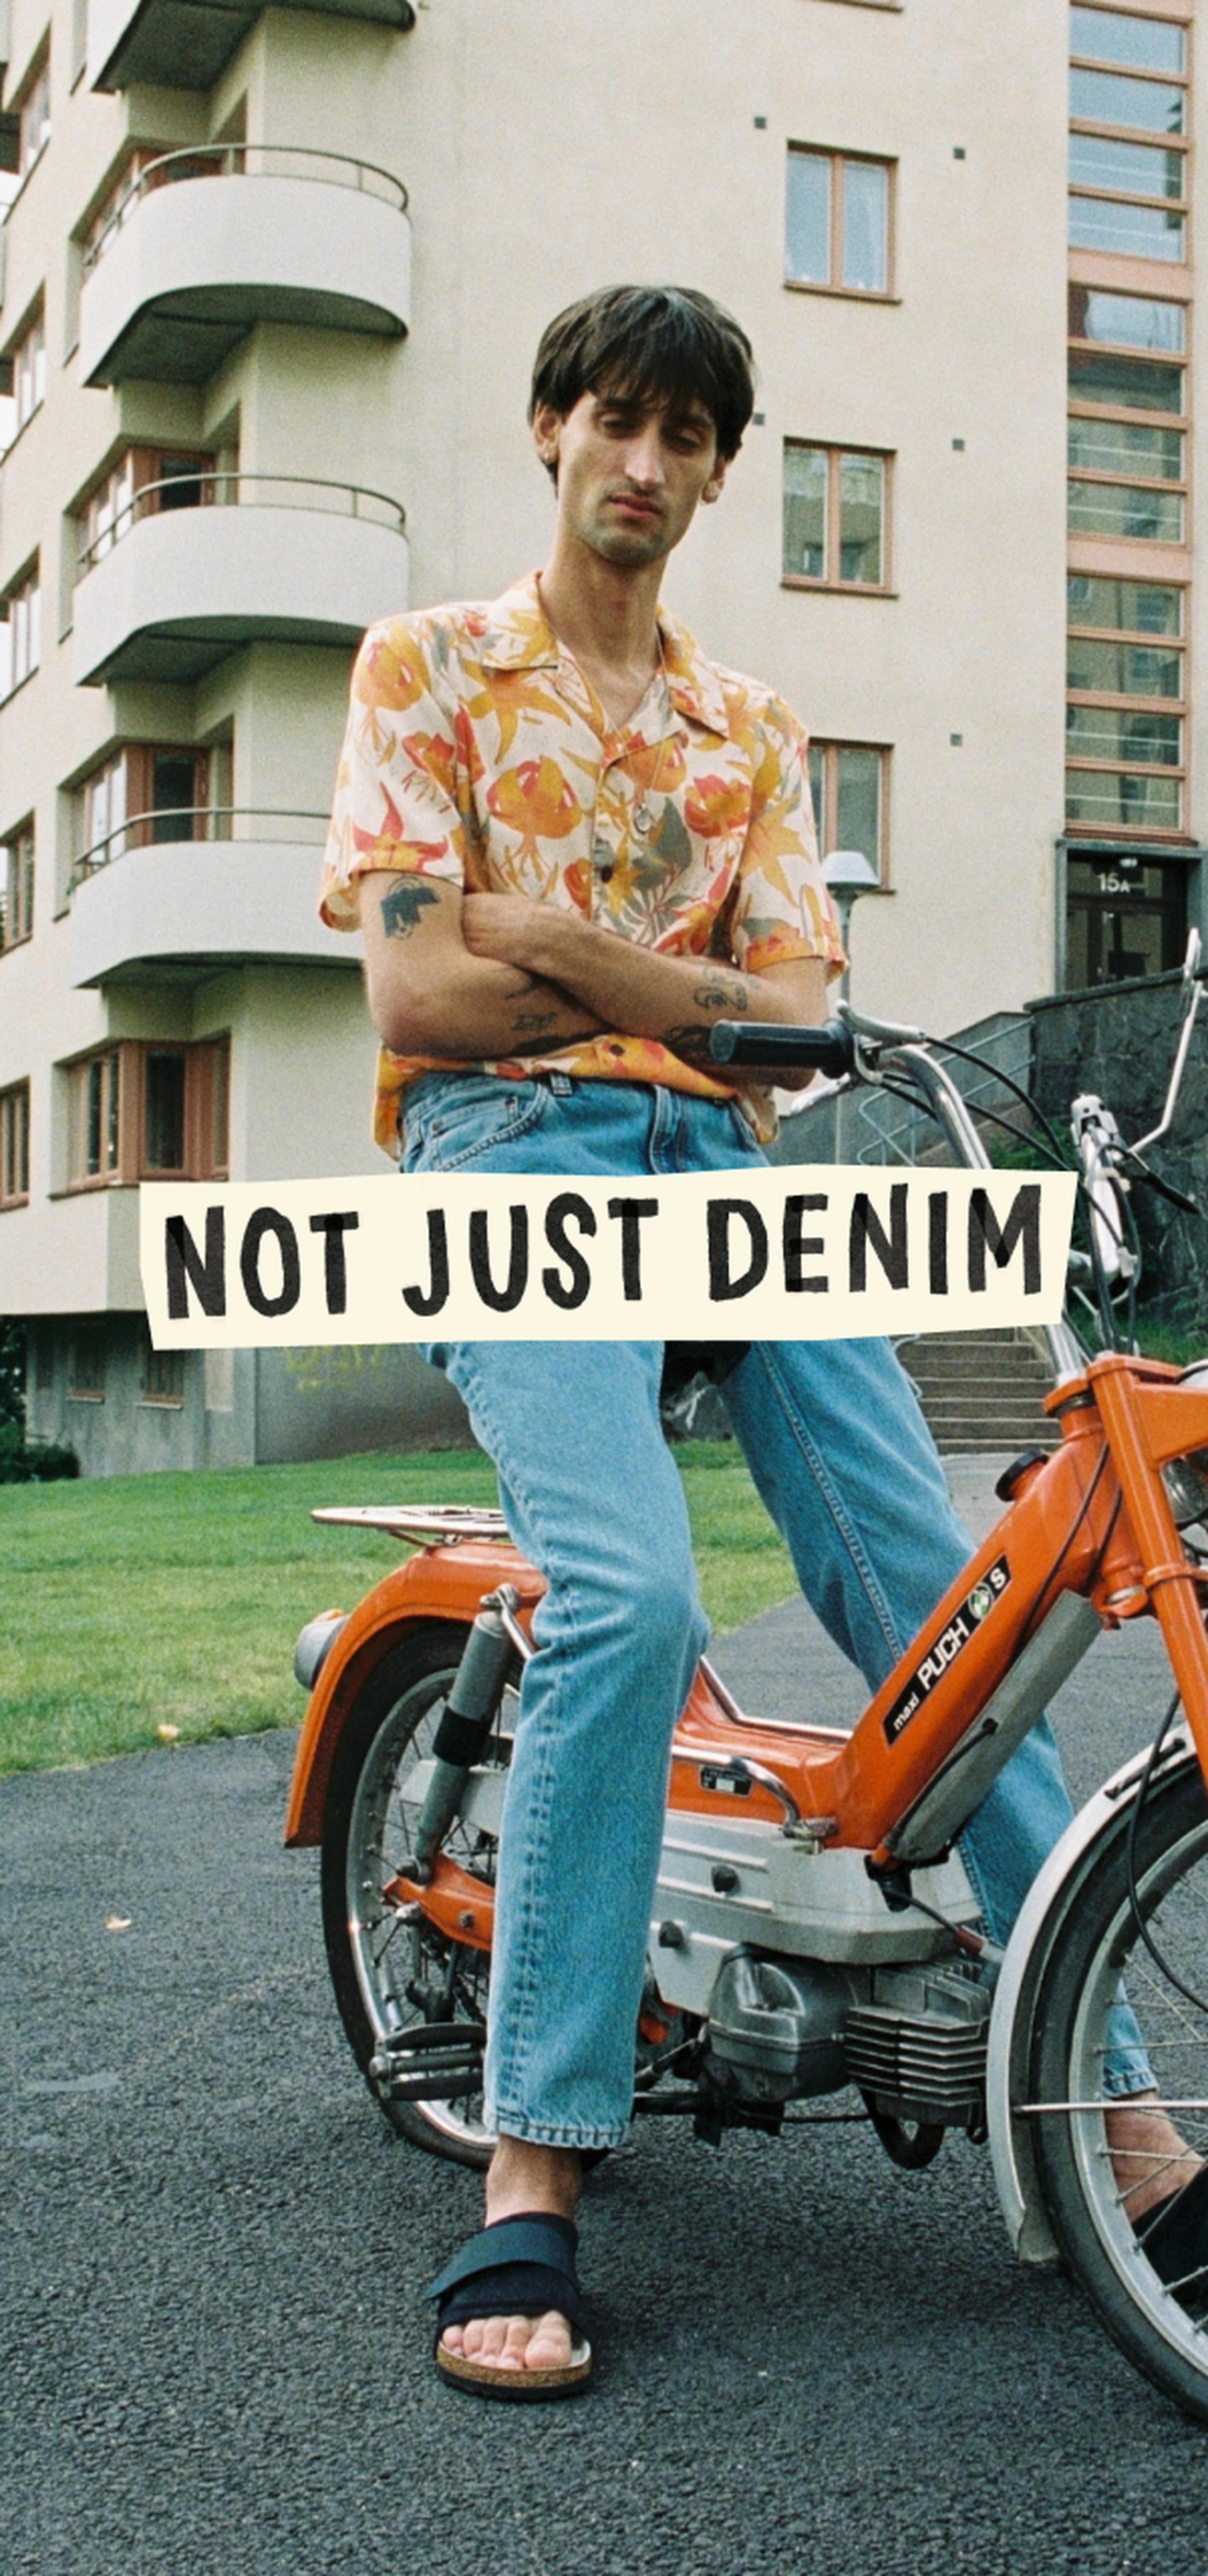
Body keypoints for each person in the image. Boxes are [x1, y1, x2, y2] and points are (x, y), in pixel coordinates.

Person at [320, 283, 1190, 2400]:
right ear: (553, 427)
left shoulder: (752, 722)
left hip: (724, 1165)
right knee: (623, 1591)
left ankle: (1129, 2108)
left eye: (686, 434)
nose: (645, 460)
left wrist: (549, 932)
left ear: (720, 468)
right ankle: (530, 2169)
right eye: (614, 417)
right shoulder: (427, 665)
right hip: (509, 1159)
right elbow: (420, 1007)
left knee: (949, 1580)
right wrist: (647, 983)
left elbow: (788, 1009)